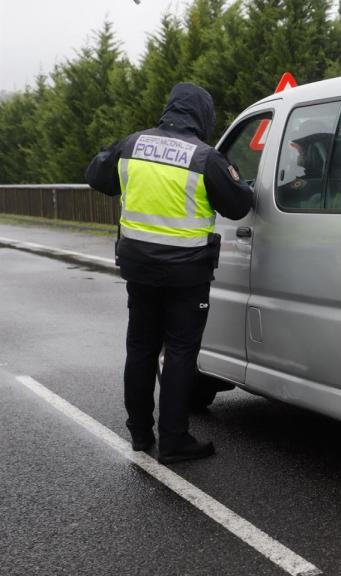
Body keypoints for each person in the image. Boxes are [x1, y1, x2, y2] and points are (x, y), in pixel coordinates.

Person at [85, 83, 253, 464]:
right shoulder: (205, 158)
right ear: (203, 116)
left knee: (141, 348)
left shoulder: (132, 146)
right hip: (186, 272)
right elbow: (238, 204)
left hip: (138, 267)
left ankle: (140, 434)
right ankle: (175, 441)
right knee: (179, 353)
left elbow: (96, 176)